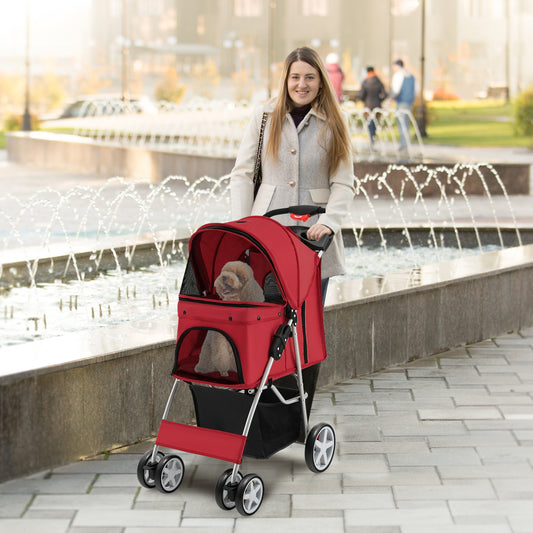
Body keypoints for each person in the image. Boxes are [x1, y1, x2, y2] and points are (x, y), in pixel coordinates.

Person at [230, 46, 356, 303]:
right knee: (269, 318)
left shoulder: (334, 122)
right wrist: (242, 226)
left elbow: (343, 183)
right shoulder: (264, 117)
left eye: (310, 77)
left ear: (321, 81)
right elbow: (242, 174)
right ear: (286, 80)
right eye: (295, 77)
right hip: (268, 230)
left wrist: (330, 222)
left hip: (315, 235)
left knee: (309, 321)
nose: (302, 84)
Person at [390, 59, 415, 151]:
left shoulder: (399, 75)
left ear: (397, 66)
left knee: (401, 123)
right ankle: (406, 144)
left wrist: (391, 98)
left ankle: (403, 145)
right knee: (406, 123)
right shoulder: (411, 75)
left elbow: (396, 89)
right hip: (409, 102)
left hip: (401, 101)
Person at [359, 66, 387, 143]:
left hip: (368, 105)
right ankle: (373, 138)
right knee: (375, 124)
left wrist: (365, 100)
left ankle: (371, 139)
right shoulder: (379, 81)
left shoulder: (365, 82)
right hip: (377, 105)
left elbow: (361, 95)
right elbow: (385, 94)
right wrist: (379, 100)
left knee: (369, 124)